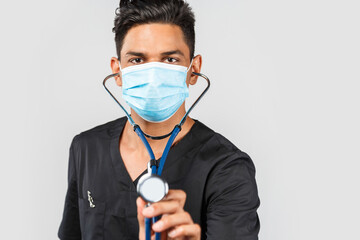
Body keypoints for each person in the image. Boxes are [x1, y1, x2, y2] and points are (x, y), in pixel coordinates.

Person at [58, 0, 260, 239]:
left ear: (193, 70)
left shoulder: (227, 168)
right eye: (137, 60)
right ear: (117, 72)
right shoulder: (87, 148)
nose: (153, 77)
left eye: (170, 60)